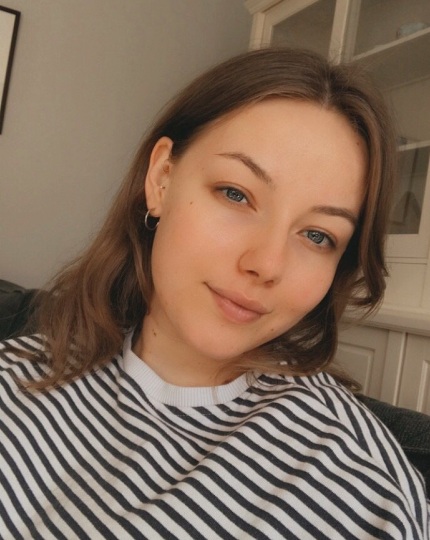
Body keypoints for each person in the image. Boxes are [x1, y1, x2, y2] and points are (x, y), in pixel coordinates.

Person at [0, 47, 428, 539]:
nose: (267, 264)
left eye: (317, 236)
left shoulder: (364, 492)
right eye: (236, 194)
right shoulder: (17, 377)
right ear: (162, 179)